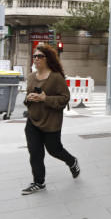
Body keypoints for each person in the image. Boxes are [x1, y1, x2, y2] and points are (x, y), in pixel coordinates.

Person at [21, 43, 79, 194]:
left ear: (47, 59)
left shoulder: (55, 77)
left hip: (51, 121)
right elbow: (27, 98)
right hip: (33, 120)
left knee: (54, 149)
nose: (36, 59)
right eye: (34, 56)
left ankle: (72, 161)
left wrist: (44, 99)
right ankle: (38, 182)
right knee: (35, 152)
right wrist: (28, 98)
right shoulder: (31, 77)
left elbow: (65, 98)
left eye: (40, 56)